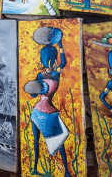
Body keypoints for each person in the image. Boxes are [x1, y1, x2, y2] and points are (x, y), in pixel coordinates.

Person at [26, 35, 71, 176]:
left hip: (42, 112)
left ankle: (66, 172)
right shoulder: (50, 75)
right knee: (42, 140)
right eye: (55, 57)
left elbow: (63, 63)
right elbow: (33, 94)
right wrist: (61, 45)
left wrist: (61, 44)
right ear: (52, 58)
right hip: (43, 112)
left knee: (57, 139)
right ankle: (35, 170)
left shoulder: (48, 75)